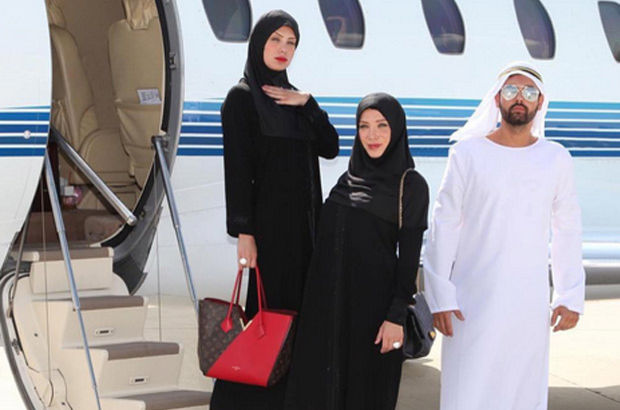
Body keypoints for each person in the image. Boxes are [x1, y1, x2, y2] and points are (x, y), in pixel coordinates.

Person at [423, 61, 585, 410]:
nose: (519, 98)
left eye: (529, 92)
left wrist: (569, 294)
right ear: (497, 99)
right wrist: (440, 297)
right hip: (470, 303)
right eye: (511, 90)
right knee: (468, 392)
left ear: (541, 102)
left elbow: (567, 228)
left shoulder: (555, 158)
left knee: (521, 394)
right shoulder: (467, 153)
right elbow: (443, 225)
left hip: (528, 306)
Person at [211, 10, 339, 410]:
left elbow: (331, 146)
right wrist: (244, 233)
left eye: (291, 43)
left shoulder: (295, 99)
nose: (284, 49)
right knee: (267, 321)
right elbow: (238, 170)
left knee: (302, 321)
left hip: (307, 233)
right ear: (259, 43)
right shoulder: (241, 98)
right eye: (276, 40)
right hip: (270, 235)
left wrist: (309, 104)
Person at [285, 93, 429, 410]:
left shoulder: (411, 185)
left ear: (397, 129)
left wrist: (395, 318)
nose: (372, 135)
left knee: (365, 395)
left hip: (373, 316)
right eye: (364, 126)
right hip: (327, 310)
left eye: (381, 125)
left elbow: (408, 261)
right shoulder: (347, 179)